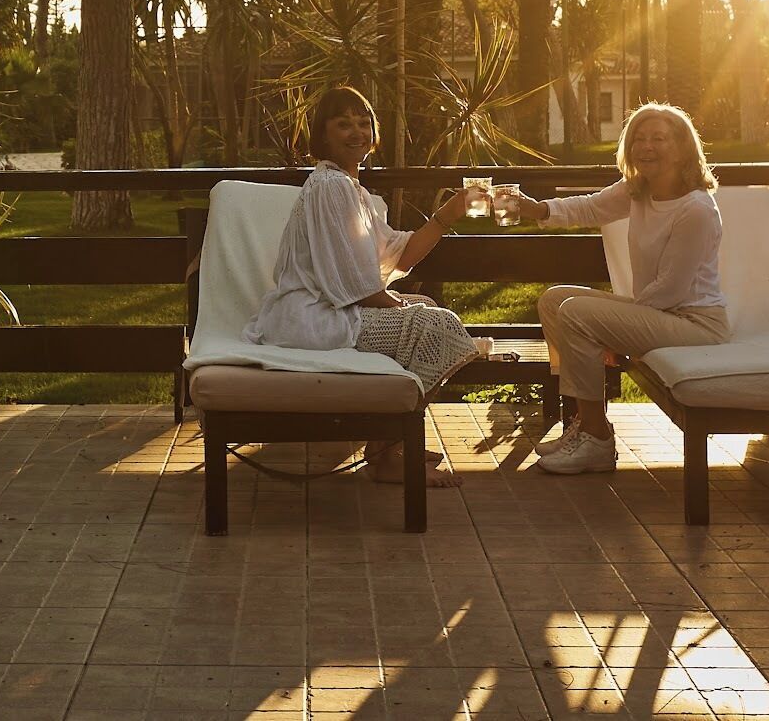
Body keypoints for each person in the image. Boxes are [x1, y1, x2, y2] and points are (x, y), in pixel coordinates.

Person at [243, 85, 491, 486]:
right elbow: (350, 281)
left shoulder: (353, 191)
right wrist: (396, 305)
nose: (356, 131)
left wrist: (451, 211)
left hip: (334, 309)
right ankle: (390, 453)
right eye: (343, 124)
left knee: (424, 307)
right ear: (323, 135)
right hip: (314, 318)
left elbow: (400, 254)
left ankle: (388, 443)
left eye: (363, 123)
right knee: (434, 326)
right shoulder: (331, 187)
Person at [498, 103, 729, 476]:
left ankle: (596, 441)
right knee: (556, 301)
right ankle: (591, 425)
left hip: (696, 327)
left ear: (683, 148)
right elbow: (589, 209)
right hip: (660, 314)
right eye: (639, 138)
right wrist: (535, 209)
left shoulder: (696, 209)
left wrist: (615, 332)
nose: (646, 146)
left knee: (577, 313)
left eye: (658, 138)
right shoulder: (639, 190)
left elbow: (670, 291)